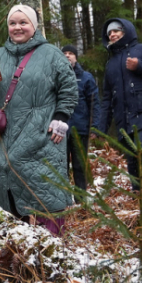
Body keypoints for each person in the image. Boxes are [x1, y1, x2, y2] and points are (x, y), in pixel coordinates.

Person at [0, 4, 78, 233]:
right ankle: (17, 256)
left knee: (46, 195)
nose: (17, 27)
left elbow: (69, 89)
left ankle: (52, 252)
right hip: (4, 140)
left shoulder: (52, 54)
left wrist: (61, 117)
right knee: (10, 202)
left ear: (34, 26)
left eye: (23, 22)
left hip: (42, 137)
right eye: (13, 23)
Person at [97, 18, 142, 189]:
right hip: (123, 119)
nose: (113, 34)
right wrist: (101, 128)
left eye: (116, 30)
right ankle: (140, 199)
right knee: (133, 163)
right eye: (109, 33)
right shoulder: (110, 64)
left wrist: (140, 66)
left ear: (127, 31)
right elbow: (107, 99)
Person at [60, 45, 100, 191]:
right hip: (59, 130)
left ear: (76, 57)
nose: (67, 56)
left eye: (70, 53)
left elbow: (94, 103)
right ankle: (62, 201)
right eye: (64, 53)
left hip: (80, 129)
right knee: (60, 166)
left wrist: (95, 126)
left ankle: (81, 200)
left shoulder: (86, 78)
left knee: (79, 165)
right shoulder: (56, 77)